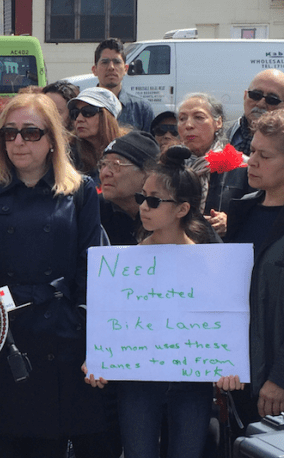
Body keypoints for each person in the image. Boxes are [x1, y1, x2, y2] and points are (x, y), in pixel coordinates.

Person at [0, 93, 111, 457]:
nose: (18, 142)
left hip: (58, 337)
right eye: (9, 133)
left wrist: (94, 337)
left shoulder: (80, 191)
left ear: (51, 140)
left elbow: (91, 269)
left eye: (30, 133)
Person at [85, 145, 244, 458]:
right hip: (138, 384)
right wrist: (97, 356)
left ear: (182, 209)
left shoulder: (213, 261)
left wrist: (231, 365)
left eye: (154, 201)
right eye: (142, 197)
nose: (144, 206)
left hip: (192, 384)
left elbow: (227, 321)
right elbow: (109, 317)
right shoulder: (122, 260)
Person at [225, 110, 284, 432]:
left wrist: (279, 378)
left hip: (274, 384)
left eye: (265, 155)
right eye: (253, 152)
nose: (252, 162)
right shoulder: (243, 208)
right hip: (238, 376)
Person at [177, 92, 250, 235]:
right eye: (182, 119)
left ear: (218, 122)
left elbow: (257, 214)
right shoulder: (171, 166)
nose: (188, 125)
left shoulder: (242, 165)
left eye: (198, 117)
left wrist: (230, 222)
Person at [99, 131, 160, 245]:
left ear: (147, 174)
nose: (105, 173)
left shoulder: (167, 214)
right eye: (103, 164)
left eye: (116, 165)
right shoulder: (93, 212)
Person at [91, 38, 154, 131]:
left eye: (117, 62)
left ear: (125, 69)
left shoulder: (141, 109)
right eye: (105, 62)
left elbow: (150, 144)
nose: (111, 67)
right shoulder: (84, 107)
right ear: (94, 70)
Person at [68, 87, 126, 182]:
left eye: (88, 112)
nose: (79, 119)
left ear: (106, 117)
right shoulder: (69, 153)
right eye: (74, 113)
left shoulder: (128, 150)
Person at [226, 69, 284, 156]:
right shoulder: (219, 134)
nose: (261, 104)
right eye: (255, 95)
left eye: (271, 100)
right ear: (245, 96)